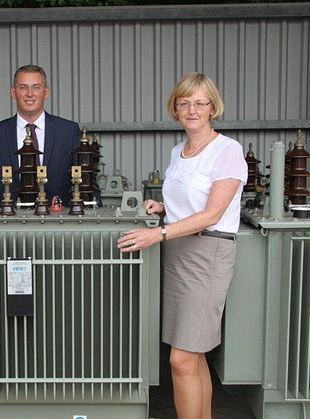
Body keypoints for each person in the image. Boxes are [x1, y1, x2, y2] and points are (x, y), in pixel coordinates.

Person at [117, 72, 247, 419]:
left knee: (181, 358)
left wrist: (157, 233)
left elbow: (212, 213)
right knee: (194, 354)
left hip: (207, 253)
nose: (192, 109)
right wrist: (161, 208)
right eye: (184, 102)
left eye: (200, 103)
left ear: (212, 108)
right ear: (175, 108)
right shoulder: (180, 150)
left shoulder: (227, 151)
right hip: (178, 253)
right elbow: (187, 201)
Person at [0, 64, 82, 207]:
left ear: (46, 92)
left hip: (57, 222)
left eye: (36, 87)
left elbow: (85, 180)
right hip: (8, 223)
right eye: (23, 87)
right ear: (13, 92)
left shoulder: (68, 131)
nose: (29, 93)